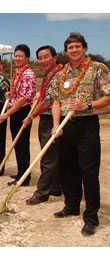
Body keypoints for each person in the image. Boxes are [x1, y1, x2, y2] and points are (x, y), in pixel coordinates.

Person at [49, 33, 110, 236]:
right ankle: (71, 206)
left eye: (77, 46)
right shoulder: (61, 74)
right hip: (66, 125)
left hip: (87, 125)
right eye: (70, 47)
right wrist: (56, 125)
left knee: (88, 171)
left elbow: (109, 96)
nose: (74, 50)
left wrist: (88, 105)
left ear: (84, 48)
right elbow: (56, 102)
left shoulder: (97, 69)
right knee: (67, 169)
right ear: (66, 52)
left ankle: (91, 217)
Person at [23, 45, 63, 205]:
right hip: (47, 118)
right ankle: (56, 186)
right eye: (40, 58)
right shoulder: (48, 75)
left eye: (46, 57)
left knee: (48, 157)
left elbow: (48, 103)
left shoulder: (59, 75)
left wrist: (31, 116)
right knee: (55, 154)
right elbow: (45, 97)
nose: (43, 61)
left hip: (53, 119)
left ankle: (41, 192)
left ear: (55, 57)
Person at [0, 44, 36, 186]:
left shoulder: (28, 74)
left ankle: (24, 177)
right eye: (16, 56)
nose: (17, 58)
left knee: (22, 144)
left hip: (22, 112)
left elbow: (23, 99)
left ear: (27, 57)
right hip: (15, 111)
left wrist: (6, 113)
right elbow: (17, 93)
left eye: (20, 56)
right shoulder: (19, 72)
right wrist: (10, 94)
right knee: (17, 143)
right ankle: (21, 172)